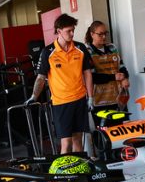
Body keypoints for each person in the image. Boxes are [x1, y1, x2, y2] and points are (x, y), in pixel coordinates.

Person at [26, 13, 94, 154]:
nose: (72, 34)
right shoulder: (48, 52)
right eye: (69, 31)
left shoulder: (80, 48)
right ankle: (65, 168)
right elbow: (41, 77)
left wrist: (91, 97)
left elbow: (87, 73)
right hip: (61, 102)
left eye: (73, 30)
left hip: (80, 99)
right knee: (66, 142)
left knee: (78, 140)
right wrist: (34, 96)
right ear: (59, 31)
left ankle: (79, 167)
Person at [84, 21, 128, 113]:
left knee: (122, 122)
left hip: (118, 97)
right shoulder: (87, 52)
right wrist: (114, 77)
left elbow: (121, 67)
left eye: (105, 33)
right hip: (99, 100)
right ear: (92, 34)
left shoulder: (112, 47)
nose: (104, 37)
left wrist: (125, 78)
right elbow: (92, 77)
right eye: (100, 34)